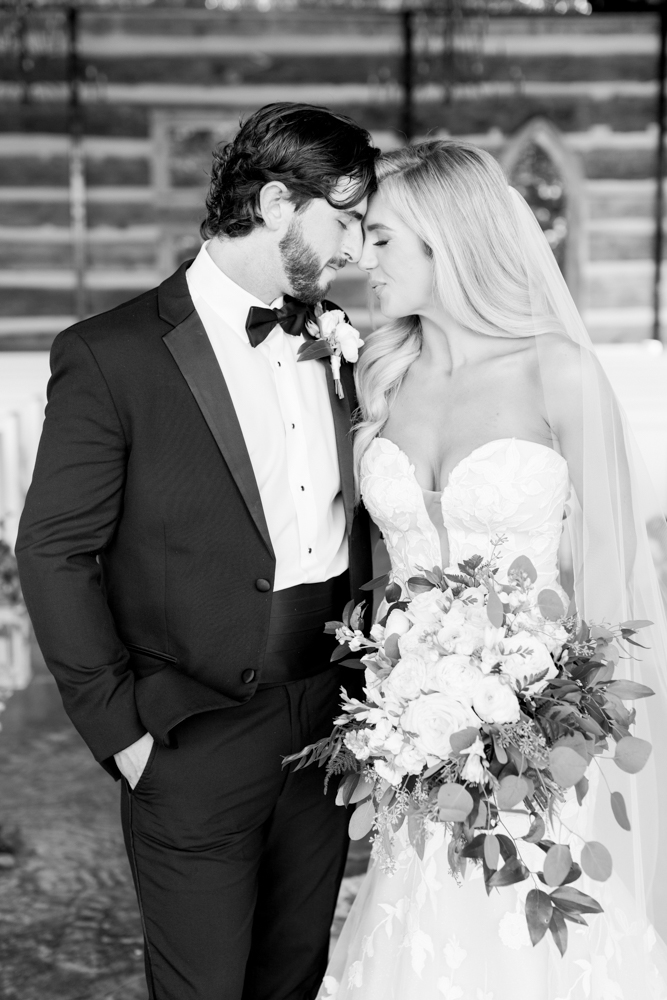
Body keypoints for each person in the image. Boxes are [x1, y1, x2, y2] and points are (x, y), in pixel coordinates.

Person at [15, 102, 379, 1000]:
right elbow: (53, 552)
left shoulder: (343, 343)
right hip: (189, 733)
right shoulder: (111, 355)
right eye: (345, 220)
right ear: (274, 203)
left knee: (294, 974)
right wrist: (122, 733)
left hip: (327, 724)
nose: (357, 250)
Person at [318, 140, 667, 998]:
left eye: (382, 237)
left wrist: (567, 727)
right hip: (411, 741)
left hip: (543, 739)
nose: (360, 257)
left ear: (448, 240)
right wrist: (396, 707)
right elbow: (374, 573)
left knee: (529, 939)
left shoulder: (559, 371)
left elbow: (616, 571)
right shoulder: (380, 373)